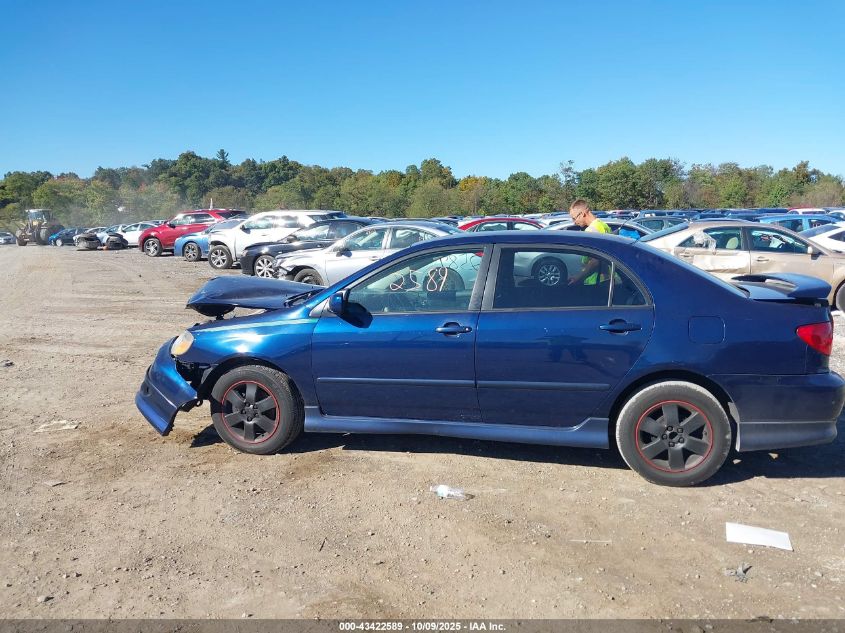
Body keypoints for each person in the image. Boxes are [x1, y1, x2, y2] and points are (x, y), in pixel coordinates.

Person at [567, 199, 611, 285]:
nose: (574, 222)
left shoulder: (591, 231)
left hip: (596, 281)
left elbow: (595, 262)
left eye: (574, 218)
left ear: (582, 214)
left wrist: (578, 277)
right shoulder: (602, 225)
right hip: (607, 278)